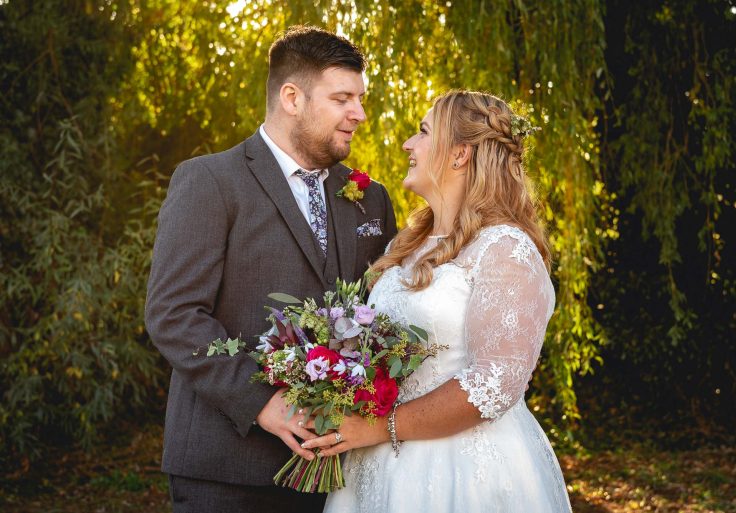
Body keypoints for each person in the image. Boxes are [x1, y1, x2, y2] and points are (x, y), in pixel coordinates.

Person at [144, 26, 397, 513]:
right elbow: (174, 315)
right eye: (343, 98)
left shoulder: (369, 198)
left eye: (360, 99)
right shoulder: (210, 181)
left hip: (337, 472)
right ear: (291, 97)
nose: (359, 114)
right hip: (224, 469)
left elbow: (382, 310)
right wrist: (262, 401)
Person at [303, 90, 572, 512]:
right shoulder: (406, 246)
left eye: (423, 132)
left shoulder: (504, 247)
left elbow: (495, 383)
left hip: (461, 471)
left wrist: (381, 427)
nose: (409, 144)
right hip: (376, 465)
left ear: (460, 154)